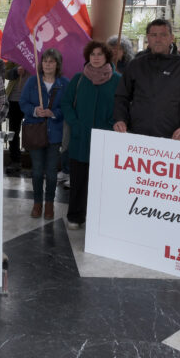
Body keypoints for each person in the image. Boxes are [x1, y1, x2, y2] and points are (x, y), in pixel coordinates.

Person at [113, 19, 180, 140]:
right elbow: (121, 96)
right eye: (153, 35)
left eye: (163, 35)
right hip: (136, 134)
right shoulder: (135, 64)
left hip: (172, 137)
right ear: (148, 38)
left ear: (171, 38)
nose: (158, 39)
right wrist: (120, 119)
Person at [62, 41, 121, 230]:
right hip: (81, 139)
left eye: (100, 54)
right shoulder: (79, 78)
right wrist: (75, 123)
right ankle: (76, 216)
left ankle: (100, 219)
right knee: (78, 180)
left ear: (107, 57)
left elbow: (123, 107)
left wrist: (112, 126)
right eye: (92, 54)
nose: (95, 58)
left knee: (102, 182)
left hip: (106, 138)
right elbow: (66, 104)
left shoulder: (117, 80)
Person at [19, 48, 69, 220]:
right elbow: (22, 103)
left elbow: (68, 107)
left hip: (54, 134)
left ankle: (49, 205)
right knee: (38, 171)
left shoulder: (64, 83)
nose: (48, 64)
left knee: (52, 173)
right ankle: (37, 203)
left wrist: (53, 113)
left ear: (57, 64)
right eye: (45, 61)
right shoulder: (33, 82)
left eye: (52, 61)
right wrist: (34, 110)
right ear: (41, 64)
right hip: (36, 132)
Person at [4, 62, 32, 173]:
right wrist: (15, 71)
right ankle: (15, 160)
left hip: (31, 100)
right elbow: (5, 74)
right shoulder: (15, 56)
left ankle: (34, 161)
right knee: (13, 131)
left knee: (33, 131)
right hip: (14, 100)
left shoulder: (38, 55)